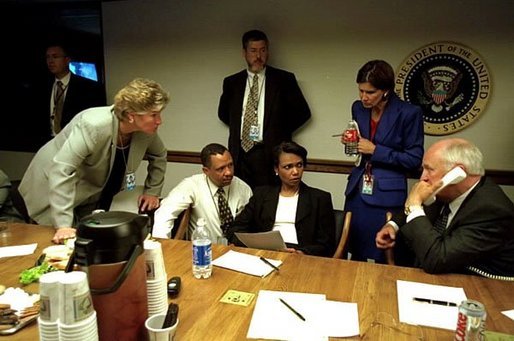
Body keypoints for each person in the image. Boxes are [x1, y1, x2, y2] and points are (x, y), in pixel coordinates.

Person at [19, 78, 169, 244]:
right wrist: (62, 225)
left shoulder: (146, 132)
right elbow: (62, 170)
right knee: (54, 245)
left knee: (87, 242)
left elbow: (159, 155)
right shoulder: (93, 125)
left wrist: (152, 191)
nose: (159, 121)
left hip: (88, 192)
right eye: (153, 115)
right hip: (51, 187)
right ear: (131, 116)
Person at [376, 138, 514, 278]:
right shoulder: (444, 193)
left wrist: (413, 206)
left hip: (483, 289)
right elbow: (416, 209)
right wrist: (392, 225)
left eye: (429, 169)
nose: (423, 177)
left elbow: (436, 260)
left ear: (457, 174)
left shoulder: (491, 211)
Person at [341, 60, 424, 263]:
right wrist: (351, 140)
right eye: (361, 91)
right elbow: (361, 144)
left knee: (383, 255)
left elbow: (413, 159)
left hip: (387, 195)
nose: (363, 97)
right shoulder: (358, 108)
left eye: (370, 92)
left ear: (386, 90)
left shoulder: (409, 113)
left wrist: (376, 150)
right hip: (357, 190)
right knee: (354, 250)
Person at [218, 29, 311, 189]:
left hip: (269, 154)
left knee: (268, 203)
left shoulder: (284, 80)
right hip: (240, 154)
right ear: (244, 53)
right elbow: (224, 114)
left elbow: (302, 113)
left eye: (262, 50)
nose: (258, 56)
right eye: (253, 51)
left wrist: (277, 130)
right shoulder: (232, 82)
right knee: (241, 201)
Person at [227, 141, 335, 257]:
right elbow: (235, 229)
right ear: (276, 169)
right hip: (265, 253)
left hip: (300, 255)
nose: (295, 172)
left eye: (299, 165)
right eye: (288, 167)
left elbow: (327, 244)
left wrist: (301, 252)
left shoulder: (319, 198)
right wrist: (256, 245)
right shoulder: (261, 195)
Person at [153, 143, 252, 243]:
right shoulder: (192, 185)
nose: (228, 172)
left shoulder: (243, 188)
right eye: (221, 169)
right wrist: (162, 248)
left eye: (230, 165)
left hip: (236, 251)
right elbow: (165, 214)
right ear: (206, 171)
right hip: (204, 250)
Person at [43, 42, 106, 140]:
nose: (50, 61)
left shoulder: (88, 87)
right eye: (48, 57)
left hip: (76, 142)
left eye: (55, 57)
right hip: (48, 143)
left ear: (67, 60)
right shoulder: (44, 85)